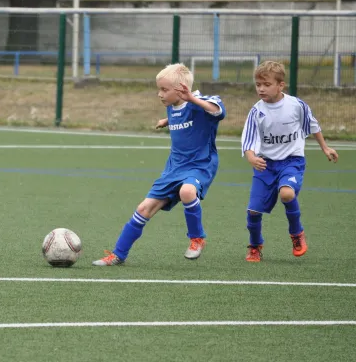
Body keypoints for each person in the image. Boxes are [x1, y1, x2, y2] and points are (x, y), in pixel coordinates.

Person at [93, 63, 226, 265]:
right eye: (159, 89)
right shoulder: (173, 107)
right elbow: (181, 115)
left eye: (164, 90)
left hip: (199, 165)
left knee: (187, 192)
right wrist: (167, 121)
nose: (159, 94)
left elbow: (218, 111)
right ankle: (118, 254)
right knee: (144, 208)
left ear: (182, 90)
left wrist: (192, 99)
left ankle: (197, 239)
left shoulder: (201, 102)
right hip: (174, 167)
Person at [241, 61, 338, 262]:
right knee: (253, 212)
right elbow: (249, 140)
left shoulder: (296, 105)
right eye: (258, 84)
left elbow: (313, 126)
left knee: (286, 193)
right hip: (266, 164)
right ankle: (255, 245)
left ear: (280, 85)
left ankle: (297, 234)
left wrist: (325, 148)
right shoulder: (256, 111)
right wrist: (251, 157)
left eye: (266, 84)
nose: (261, 88)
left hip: (292, 162)